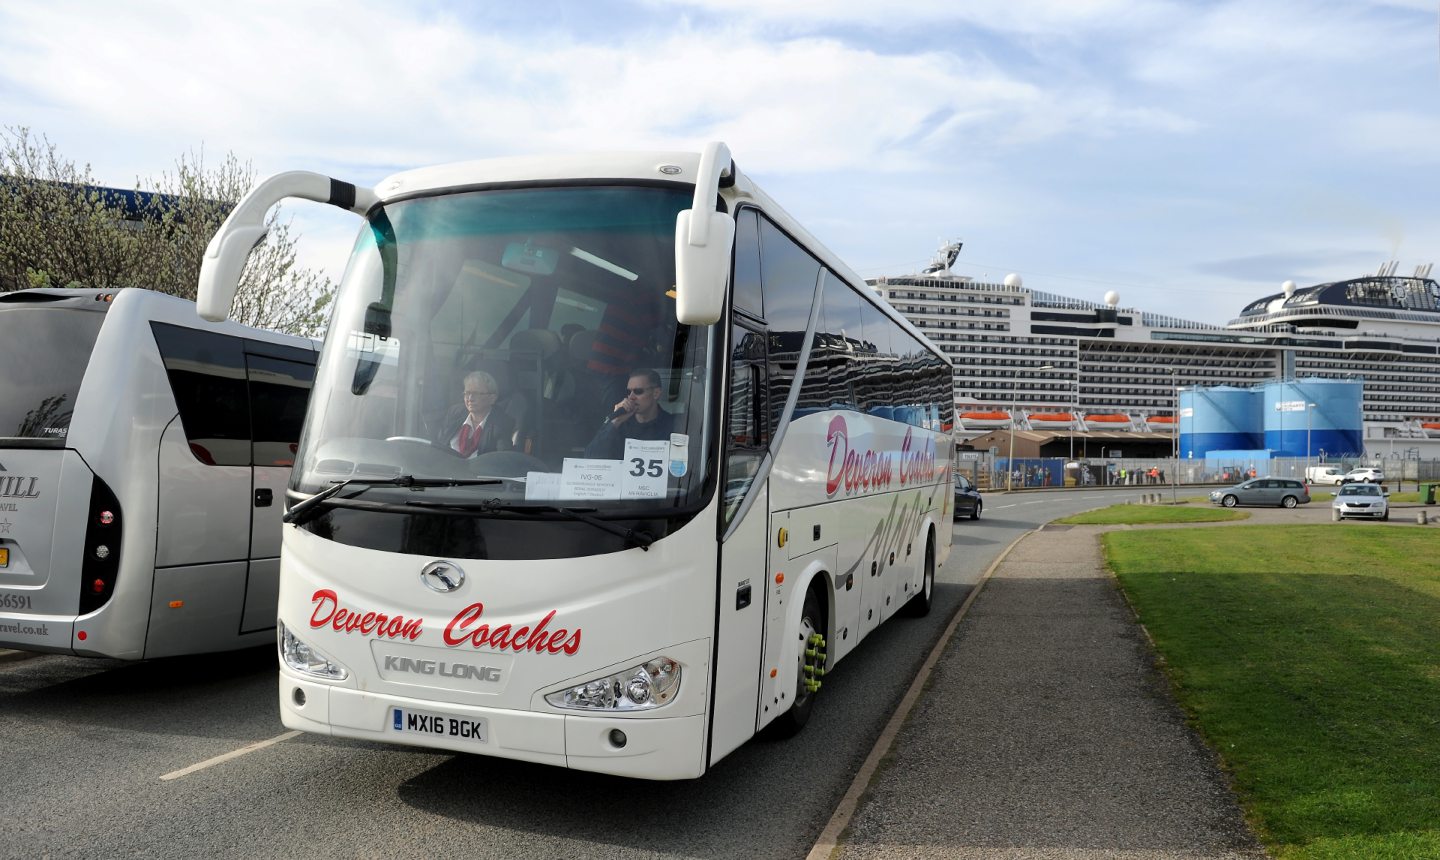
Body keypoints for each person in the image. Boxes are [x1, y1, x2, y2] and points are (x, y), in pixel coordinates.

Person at [584, 368, 673, 459]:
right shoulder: (619, 424)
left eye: (638, 391)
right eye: (629, 392)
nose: (631, 397)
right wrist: (616, 421)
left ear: (656, 393)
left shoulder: (674, 424)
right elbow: (590, 457)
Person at [435, 370, 515, 458]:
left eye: (476, 393)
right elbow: (438, 447)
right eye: (467, 393)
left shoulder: (502, 423)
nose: (470, 398)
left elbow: (502, 460)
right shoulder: (454, 413)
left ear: (492, 398)